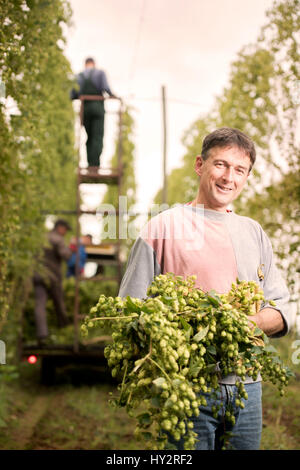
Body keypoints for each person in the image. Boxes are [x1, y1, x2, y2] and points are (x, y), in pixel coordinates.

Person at [118, 127, 291, 450]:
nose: (229, 178)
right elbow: (129, 313)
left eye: (240, 170)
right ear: (200, 165)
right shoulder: (162, 228)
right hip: (187, 388)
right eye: (221, 165)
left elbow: (282, 309)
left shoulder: (253, 232)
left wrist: (244, 324)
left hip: (247, 389)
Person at [70, 57, 119, 171]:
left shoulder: (79, 76)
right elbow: (106, 88)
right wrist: (112, 95)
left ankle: (89, 165)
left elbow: (73, 94)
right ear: (93, 64)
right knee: (97, 137)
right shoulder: (100, 73)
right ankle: (94, 166)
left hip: (85, 109)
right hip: (97, 109)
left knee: (89, 137)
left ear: (85, 64)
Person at [33, 219, 73, 346]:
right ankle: (66, 332)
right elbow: (66, 256)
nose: (65, 233)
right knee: (59, 304)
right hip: (52, 278)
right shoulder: (58, 239)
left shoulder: (42, 238)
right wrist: (71, 249)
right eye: (65, 230)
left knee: (40, 304)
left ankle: (42, 335)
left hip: (38, 275)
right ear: (60, 227)